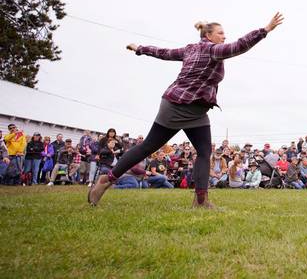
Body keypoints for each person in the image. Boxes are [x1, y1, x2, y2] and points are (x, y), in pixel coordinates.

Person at [88, 12, 284, 207]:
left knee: (204, 152)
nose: (225, 36)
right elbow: (239, 46)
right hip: (177, 106)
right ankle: (107, 180)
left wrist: (140, 48)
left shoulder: (191, 49)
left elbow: (164, 53)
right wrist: (265, 30)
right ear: (209, 36)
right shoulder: (213, 50)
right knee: (148, 146)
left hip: (196, 111)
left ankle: (201, 200)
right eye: (221, 33)